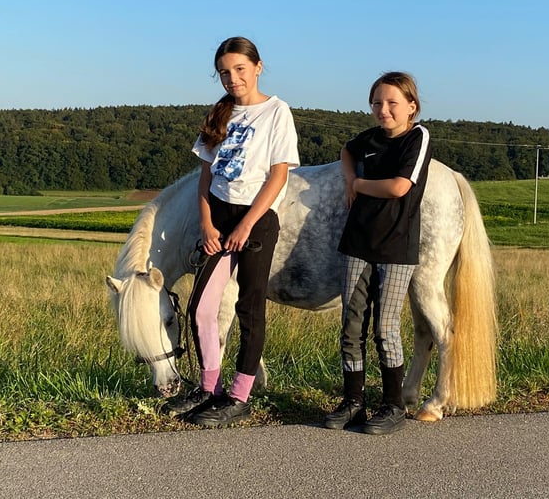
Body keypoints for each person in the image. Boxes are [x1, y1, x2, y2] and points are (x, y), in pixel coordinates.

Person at [167, 36, 300, 427]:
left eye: (240, 69)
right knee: (201, 309)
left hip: (256, 219)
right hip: (219, 218)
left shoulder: (277, 112)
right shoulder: (220, 113)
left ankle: (239, 394)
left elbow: (278, 175)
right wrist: (207, 224)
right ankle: (210, 388)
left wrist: (246, 224)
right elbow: (205, 176)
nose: (232, 78)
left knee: (249, 307)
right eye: (225, 72)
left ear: (258, 67)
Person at [324, 71, 431, 435]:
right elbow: (346, 151)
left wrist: (358, 184)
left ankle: (393, 405)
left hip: (395, 247)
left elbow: (400, 187)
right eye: (376, 103)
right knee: (351, 326)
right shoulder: (368, 139)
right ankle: (354, 401)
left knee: (385, 328)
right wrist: (348, 174)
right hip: (357, 242)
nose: (383, 110)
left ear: (411, 107)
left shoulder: (418, 137)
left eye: (391, 103)